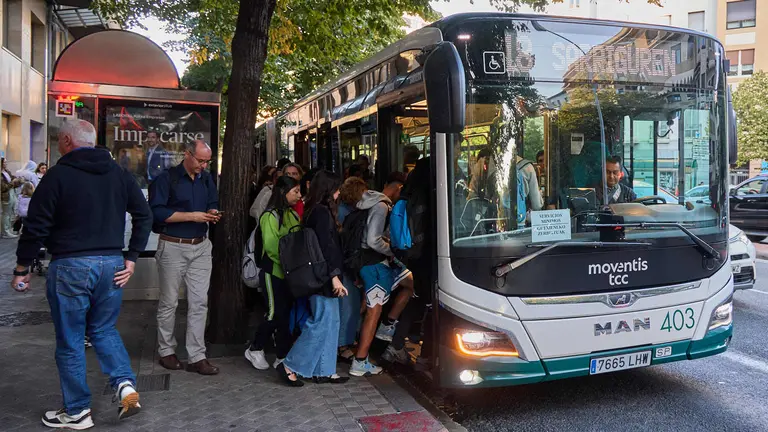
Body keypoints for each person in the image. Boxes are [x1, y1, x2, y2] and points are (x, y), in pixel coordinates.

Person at [10, 119, 151, 429]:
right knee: (103, 329)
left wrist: (22, 267)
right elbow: (144, 214)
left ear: (66, 141)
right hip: (112, 265)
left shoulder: (57, 175)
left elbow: (36, 225)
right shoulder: (119, 174)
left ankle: (77, 411)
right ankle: (125, 386)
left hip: (70, 266)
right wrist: (131, 258)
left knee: (71, 339)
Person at [149, 140, 221, 376]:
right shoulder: (167, 178)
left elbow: (212, 201)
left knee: (199, 302)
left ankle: (197, 356)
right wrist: (192, 216)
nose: (203, 166)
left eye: (207, 161)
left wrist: (212, 212)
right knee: (169, 302)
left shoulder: (206, 179)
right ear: (187, 154)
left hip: (200, 246)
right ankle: (166, 351)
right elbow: (157, 212)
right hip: (173, 245)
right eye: (200, 160)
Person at [278, 171, 350, 386]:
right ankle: (290, 364)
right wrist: (334, 276)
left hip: (318, 274)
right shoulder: (322, 213)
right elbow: (326, 248)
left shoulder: (313, 210)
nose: (339, 193)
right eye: (336, 188)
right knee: (322, 321)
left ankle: (324, 370)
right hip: (324, 276)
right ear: (329, 189)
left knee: (328, 320)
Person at [350, 172, 414, 377]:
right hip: (375, 264)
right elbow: (372, 240)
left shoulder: (369, 201)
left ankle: (381, 329)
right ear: (399, 188)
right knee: (373, 311)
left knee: (409, 283)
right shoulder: (381, 206)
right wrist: (391, 250)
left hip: (367, 262)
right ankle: (360, 361)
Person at [244, 176, 302, 371]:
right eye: (295, 191)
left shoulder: (292, 214)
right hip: (273, 272)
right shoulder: (269, 216)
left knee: (283, 315)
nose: (299, 195)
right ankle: (255, 348)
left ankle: (282, 355)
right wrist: (291, 263)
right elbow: (271, 248)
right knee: (274, 313)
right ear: (283, 192)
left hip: (288, 273)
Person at [336, 176, 368, 361]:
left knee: (349, 305)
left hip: (343, 264)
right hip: (346, 265)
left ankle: (345, 341)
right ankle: (343, 344)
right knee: (348, 305)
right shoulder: (347, 213)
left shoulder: (341, 210)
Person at [1, 159, 21, 238]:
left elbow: (13, 178)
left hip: (12, 192)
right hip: (6, 194)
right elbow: (3, 187)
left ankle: (9, 229)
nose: (6, 163)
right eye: (4, 162)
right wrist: (12, 183)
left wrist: (17, 180)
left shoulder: (7, 171)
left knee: (11, 213)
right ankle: (5, 231)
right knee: (6, 213)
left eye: (6, 162)